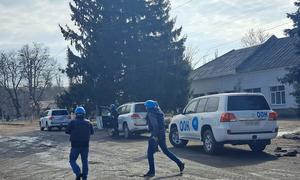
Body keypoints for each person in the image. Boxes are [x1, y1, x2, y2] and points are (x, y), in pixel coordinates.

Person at [144, 100, 185, 177]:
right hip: (162, 134)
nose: (145, 107)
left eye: (146, 106)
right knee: (166, 151)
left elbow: (155, 126)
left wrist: (154, 136)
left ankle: (151, 171)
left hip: (156, 134)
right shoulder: (159, 112)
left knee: (149, 153)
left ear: (148, 107)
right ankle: (180, 163)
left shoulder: (151, 113)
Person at [65, 106, 94, 180]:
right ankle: (85, 177)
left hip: (75, 145)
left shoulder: (73, 122)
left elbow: (67, 131)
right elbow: (92, 132)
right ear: (84, 114)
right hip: (85, 145)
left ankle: (78, 173)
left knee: (72, 160)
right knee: (85, 161)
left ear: (76, 114)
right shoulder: (88, 122)